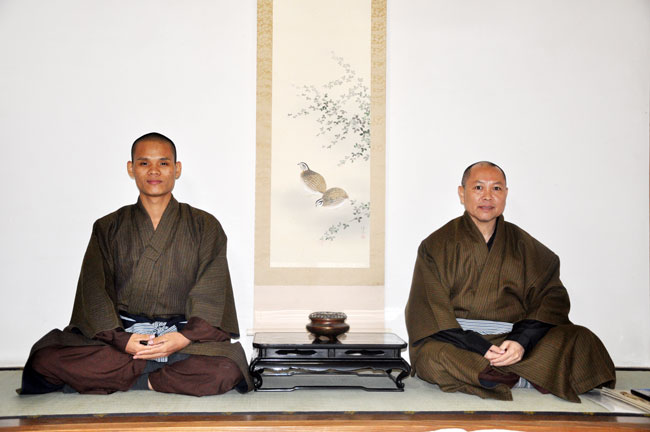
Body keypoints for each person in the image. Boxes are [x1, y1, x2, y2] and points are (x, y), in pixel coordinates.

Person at [19, 133, 252, 396]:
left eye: (163, 163)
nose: (154, 170)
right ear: (131, 169)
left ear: (177, 169)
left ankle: (128, 378)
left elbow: (212, 290)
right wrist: (123, 340)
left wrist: (183, 338)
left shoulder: (204, 225)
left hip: (182, 338)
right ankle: (156, 377)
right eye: (144, 163)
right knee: (44, 359)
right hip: (125, 337)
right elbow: (95, 291)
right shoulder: (108, 227)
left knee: (227, 368)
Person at [405, 161, 615, 402]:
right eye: (478, 188)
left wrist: (520, 341)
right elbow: (429, 310)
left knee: (581, 338)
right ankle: (526, 376)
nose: (487, 196)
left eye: (496, 188)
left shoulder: (524, 246)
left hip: (512, 342)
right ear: (462, 194)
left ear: (505, 194)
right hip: (460, 343)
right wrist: (480, 347)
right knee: (431, 357)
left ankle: (497, 375)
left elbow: (550, 298)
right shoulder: (436, 246)